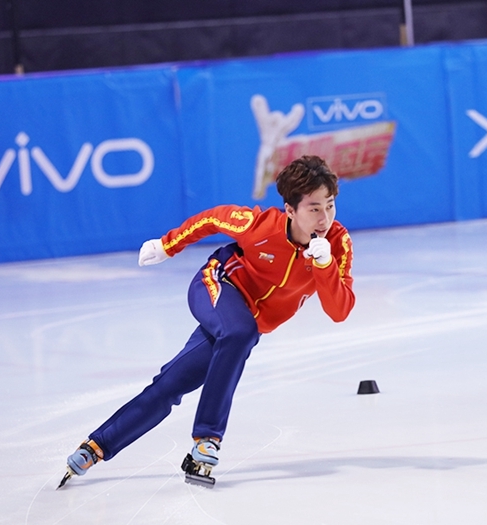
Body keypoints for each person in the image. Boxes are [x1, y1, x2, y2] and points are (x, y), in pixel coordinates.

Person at [58, 154, 355, 488]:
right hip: (217, 285)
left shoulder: (337, 244)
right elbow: (212, 219)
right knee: (240, 332)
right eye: (314, 208)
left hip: (241, 326)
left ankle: (95, 447)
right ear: (290, 209)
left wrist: (326, 267)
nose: (324, 218)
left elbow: (339, 310)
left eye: (330, 206)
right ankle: (207, 439)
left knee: (172, 384)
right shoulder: (259, 225)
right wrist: (168, 245)